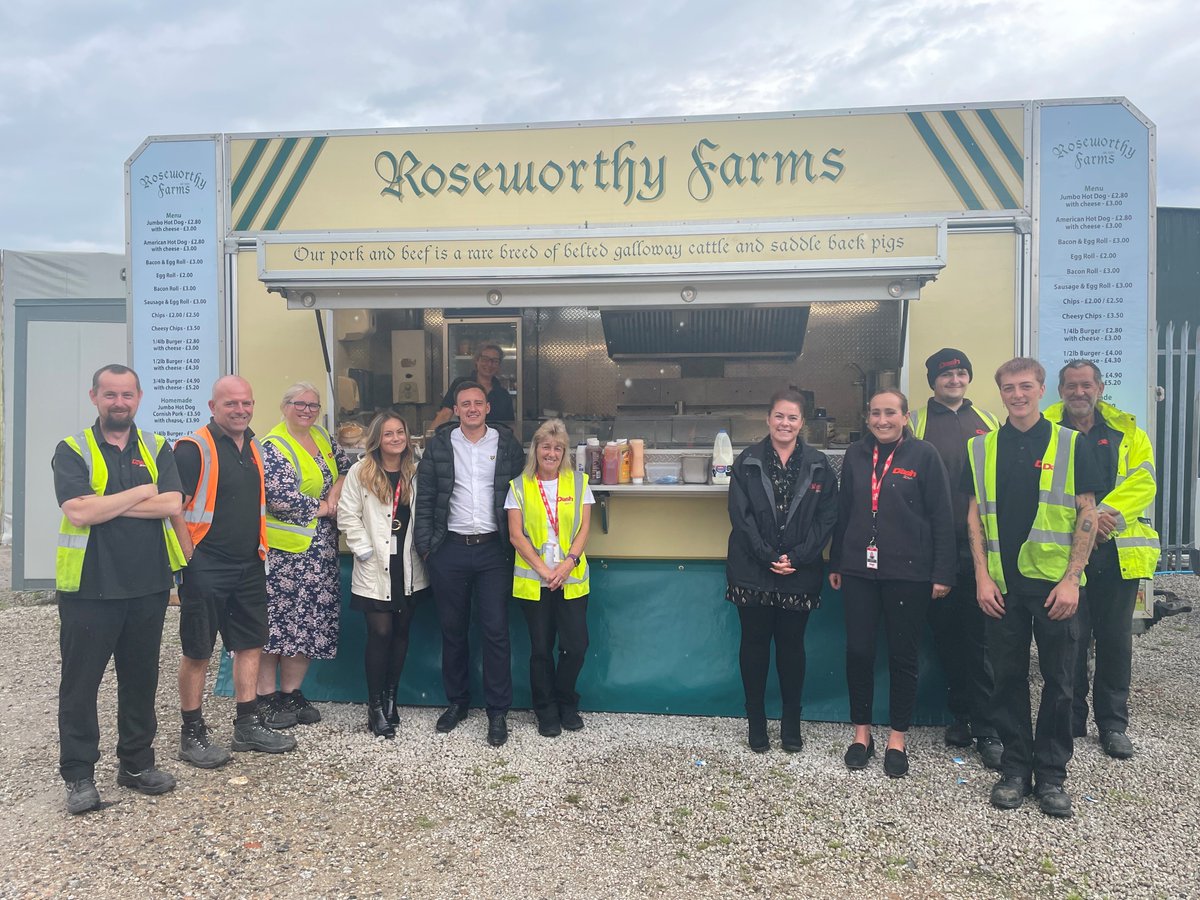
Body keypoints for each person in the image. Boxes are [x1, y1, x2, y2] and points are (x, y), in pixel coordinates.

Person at [964, 357, 1103, 818]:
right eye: (1008, 388)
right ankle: (1016, 770)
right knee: (1006, 680)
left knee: (1062, 683)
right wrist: (982, 576)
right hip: (1003, 587)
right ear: (999, 392)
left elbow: (1088, 513)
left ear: (1042, 389)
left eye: (1026, 386)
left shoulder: (1071, 444)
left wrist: (1072, 579)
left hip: (1054, 589)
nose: (1017, 395)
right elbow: (974, 515)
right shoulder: (980, 448)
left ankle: (1051, 775)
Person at [52, 364, 185, 814]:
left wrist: (107, 503)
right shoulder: (73, 450)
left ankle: (135, 764)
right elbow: (78, 513)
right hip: (90, 589)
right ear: (94, 397)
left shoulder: (155, 446)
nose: (119, 403)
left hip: (147, 586)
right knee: (80, 686)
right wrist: (140, 493)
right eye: (110, 395)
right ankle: (79, 775)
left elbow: (172, 502)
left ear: (139, 398)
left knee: (140, 681)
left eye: (127, 395)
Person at [829, 389, 956, 778]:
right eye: (875, 413)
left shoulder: (924, 455)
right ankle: (861, 734)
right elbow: (845, 508)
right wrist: (836, 560)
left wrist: (942, 572)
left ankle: (897, 738)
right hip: (857, 570)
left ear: (905, 416)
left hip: (910, 573)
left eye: (890, 413)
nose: (882, 420)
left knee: (903, 656)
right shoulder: (855, 455)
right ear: (867, 418)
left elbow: (942, 517)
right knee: (860, 652)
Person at [171, 376, 296, 767]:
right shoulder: (194, 449)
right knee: (198, 650)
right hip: (206, 565)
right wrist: (188, 554)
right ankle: (191, 733)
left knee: (249, 644)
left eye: (246, 403)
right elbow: (174, 505)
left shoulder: (253, 446)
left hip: (249, 563)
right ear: (213, 407)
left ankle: (247, 723)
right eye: (231, 404)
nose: (240, 410)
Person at [1045, 359, 1159, 760]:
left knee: (1114, 641)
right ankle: (1072, 717)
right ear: (1060, 391)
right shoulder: (1047, 431)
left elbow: (1143, 481)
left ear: (1100, 388)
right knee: (1068, 640)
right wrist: (1082, 528)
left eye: (1086, 385)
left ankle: (1112, 724)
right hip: (1066, 555)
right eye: (1071, 386)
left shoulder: (1126, 432)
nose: (1079, 392)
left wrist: (1099, 517)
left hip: (1117, 553)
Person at [725, 388, 839, 753]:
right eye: (779, 416)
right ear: (768, 418)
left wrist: (800, 556)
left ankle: (791, 723)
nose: (785, 423)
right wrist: (767, 554)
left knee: (792, 648)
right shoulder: (747, 461)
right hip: (752, 569)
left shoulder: (820, 464)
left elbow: (827, 518)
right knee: (754, 646)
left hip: (800, 570)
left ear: (802, 422)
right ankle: (756, 722)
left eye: (792, 417)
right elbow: (740, 516)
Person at [415, 381, 525, 747]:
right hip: (450, 549)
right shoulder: (441, 444)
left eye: (479, 402)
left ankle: (497, 711)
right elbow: (427, 496)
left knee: (496, 631)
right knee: (453, 630)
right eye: (466, 404)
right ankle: (458, 702)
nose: (473, 408)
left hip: (494, 550)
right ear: (456, 409)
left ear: (488, 407)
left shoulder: (506, 443)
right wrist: (428, 547)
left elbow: (522, 492)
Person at [909, 348, 1004, 768]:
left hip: (983, 546)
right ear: (933, 381)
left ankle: (988, 727)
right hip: (935, 546)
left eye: (961, 372)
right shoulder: (915, 422)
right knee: (946, 637)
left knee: (981, 639)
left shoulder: (989, 421)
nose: (954, 379)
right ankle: (961, 715)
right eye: (945, 374)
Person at [256, 382, 349, 727]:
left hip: (319, 553)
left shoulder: (323, 438)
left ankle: (290, 693)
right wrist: (325, 508)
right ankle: (264, 698)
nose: (307, 410)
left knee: (308, 625)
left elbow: (344, 467)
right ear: (284, 406)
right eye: (299, 404)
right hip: (283, 556)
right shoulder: (273, 445)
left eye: (313, 405)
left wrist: (336, 492)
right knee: (276, 628)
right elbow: (279, 497)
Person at [338, 412, 430, 738]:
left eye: (400, 432)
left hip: (407, 565)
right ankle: (374, 706)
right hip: (374, 564)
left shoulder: (415, 471)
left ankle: (392, 699)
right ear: (377, 439)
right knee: (380, 633)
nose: (395, 438)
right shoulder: (360, 472)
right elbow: (347, 514)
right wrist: (362, 549)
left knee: (401, 632)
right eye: (388, 434)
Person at [506, 419, 595, 738]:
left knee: (576, 646)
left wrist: (568, 564)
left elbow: (585, 528)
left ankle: (566, 702)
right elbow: (516, 536)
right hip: (535, 582)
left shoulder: (579, 483)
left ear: (565, 452)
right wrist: (545, 572)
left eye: (558, 448)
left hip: (571, 579)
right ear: (536, 449)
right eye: (546, 446)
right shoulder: (519, 486)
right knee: (541, 649)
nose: (552, 452)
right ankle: (545, 710)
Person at [430, 342, 515, 427]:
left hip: (495, 439)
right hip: (465, 439)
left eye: (495, 361)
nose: (489, 364)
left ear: (499, 365)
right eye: (485, 359)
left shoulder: (503, 395)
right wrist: (430, 437)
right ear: (477, 361)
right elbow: (445, 414)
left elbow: (510, 426)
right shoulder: (460, 385)